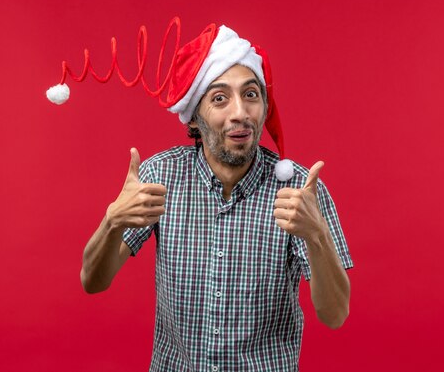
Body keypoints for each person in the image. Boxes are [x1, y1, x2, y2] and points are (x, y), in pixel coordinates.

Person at [58, 20, 353, 371]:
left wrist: (316, 235)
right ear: (195, 117)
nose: (240, 113)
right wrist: (111, 222)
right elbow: (93, 281)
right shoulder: (160, 176)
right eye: (219, 98)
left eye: (251, 94)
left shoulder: (301, 191)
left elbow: (335, 315)